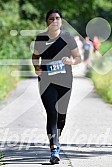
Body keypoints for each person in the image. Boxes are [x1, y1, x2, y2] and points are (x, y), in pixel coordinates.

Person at [32, 9, 82, 164]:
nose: (55, 21)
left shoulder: (67, 37)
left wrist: (71, 62)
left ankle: (56, 136)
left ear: (61, 21)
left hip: (65, 81)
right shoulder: (41, 38)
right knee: (52, 113)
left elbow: (78, 58)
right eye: (51, 18)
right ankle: (54, 148)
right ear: (47, 21)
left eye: (58, 18)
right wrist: (36, 67)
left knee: (61, 116)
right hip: (46, 81)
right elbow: (35, 56)